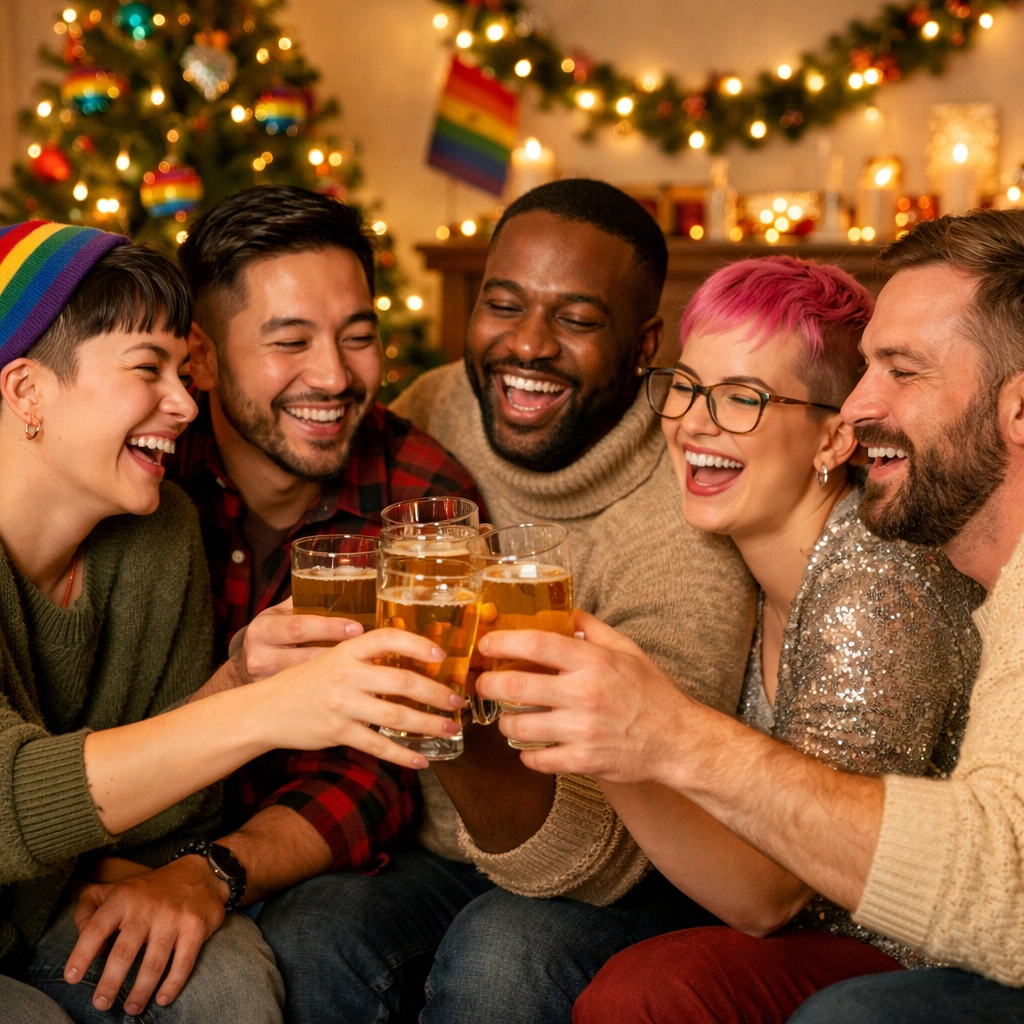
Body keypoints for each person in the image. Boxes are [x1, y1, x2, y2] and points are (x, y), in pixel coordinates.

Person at [478, 210, 1024, 1022]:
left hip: (899, 948)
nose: (696, 421)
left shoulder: (880, 580)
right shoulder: (724, 550)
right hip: (771, 912)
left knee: (640, 982)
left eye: (743, 397)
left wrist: (624, 736)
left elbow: (771, 896)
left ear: (833, 441)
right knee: (511, 939)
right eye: (686, 387)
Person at [256, 179, 757, 1024]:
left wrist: (440, 689)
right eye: (503, 304)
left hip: (623, 867)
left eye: (577, 319)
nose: (527, 344)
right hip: (438, 842)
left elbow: (614, 850)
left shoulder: (685, 509)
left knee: (503, 957)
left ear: (644, 344)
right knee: (311, 932)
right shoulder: (432, 407)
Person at [0, 221, 467, 1024]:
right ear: (27, 391)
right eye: (148, 369)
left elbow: (174, 813)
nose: (186, 404)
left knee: (224, 979)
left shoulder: (155, 530)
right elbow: (11, 799)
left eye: (180, 370)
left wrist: (237, 678)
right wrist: (264, 704)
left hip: (43, 900)